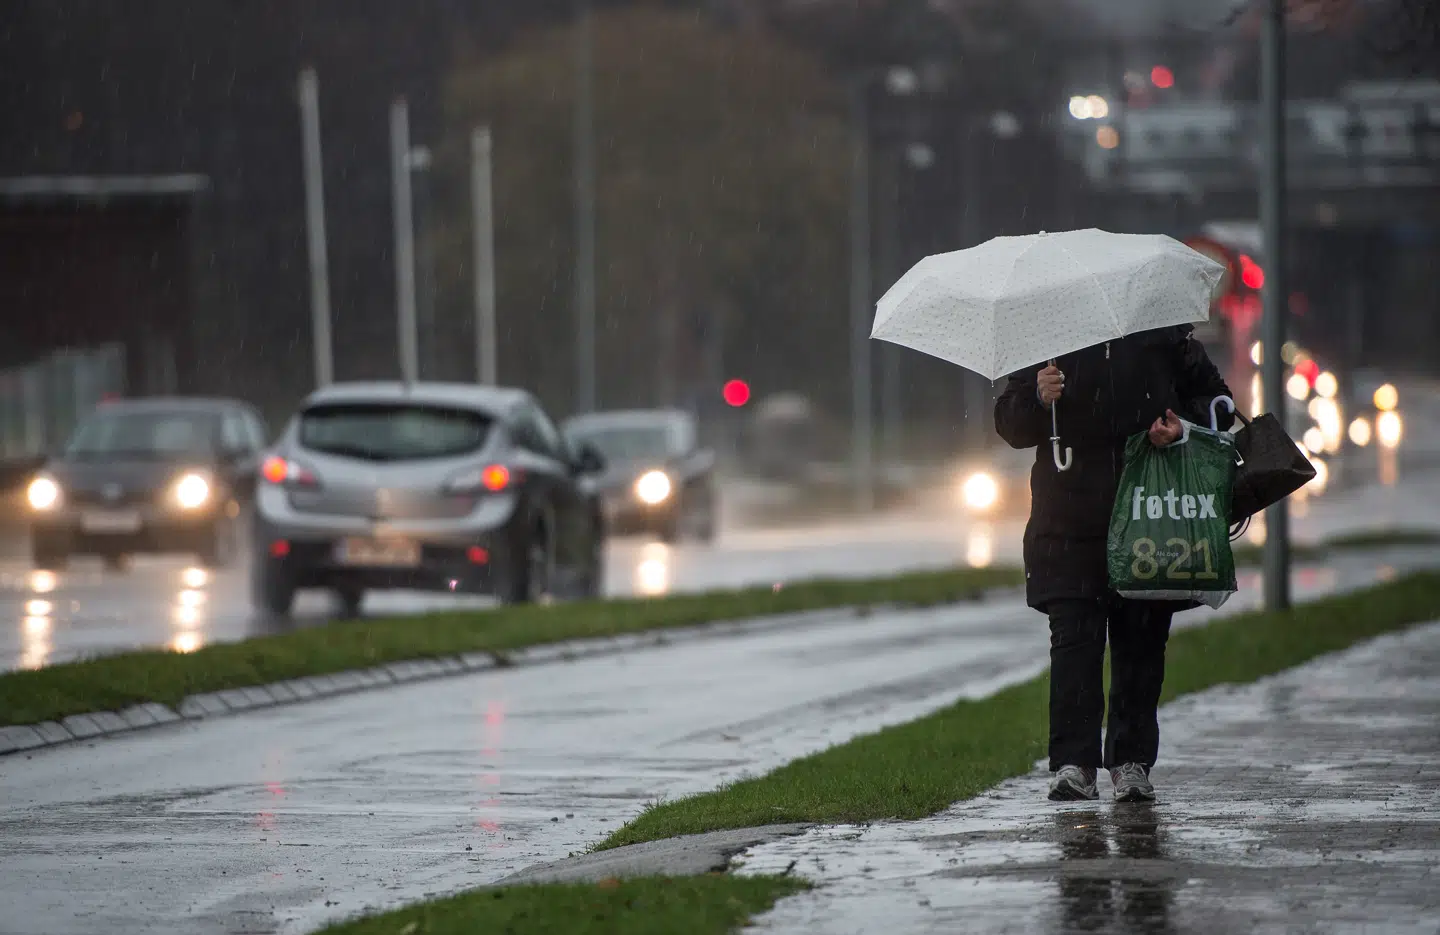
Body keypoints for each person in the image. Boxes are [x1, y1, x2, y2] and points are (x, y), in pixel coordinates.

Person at [994, 325, 1234, 803]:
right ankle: (1073, 765)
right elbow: (1009, 424)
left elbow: (1219, 407)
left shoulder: (1164, 336)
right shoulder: (1046, 340)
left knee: (1141, 643)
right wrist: (1040, 400)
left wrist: (1180, 425)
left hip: (1150, 517)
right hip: (1068, 523)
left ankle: (1130, 762)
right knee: (1073, 646)